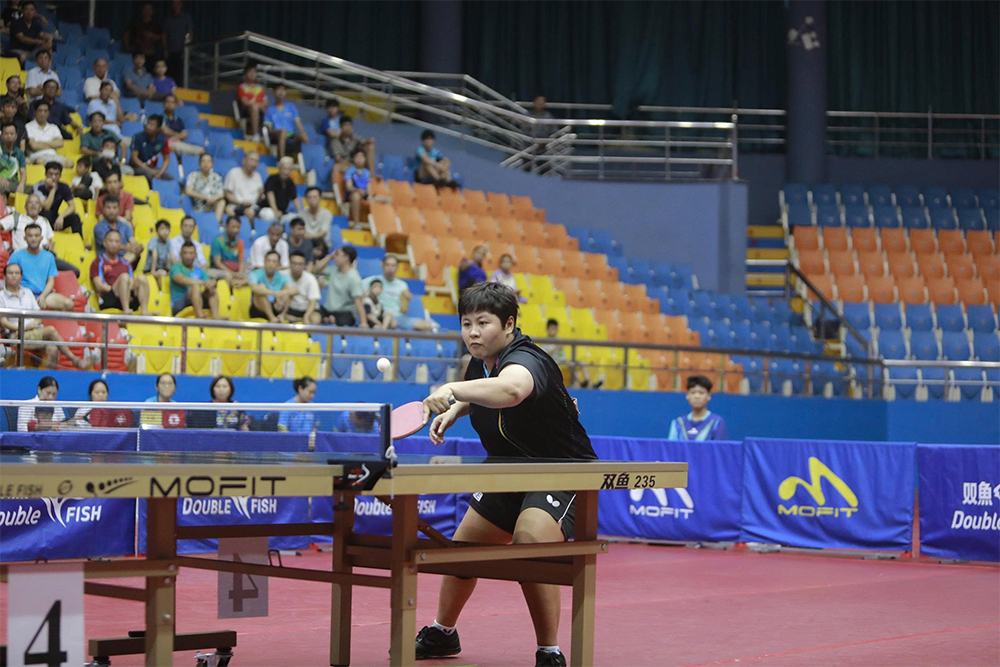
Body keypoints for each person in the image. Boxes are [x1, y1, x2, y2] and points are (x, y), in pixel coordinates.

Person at [416, 282, 595, 667]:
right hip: (509, 469)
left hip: (559, 470)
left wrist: (451, 389)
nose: (473, 333)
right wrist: (457, 408)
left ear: (509, 324)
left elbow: (512, 389)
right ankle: (443, 633)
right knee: (463, 551)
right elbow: (485, 390)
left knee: (529, 540)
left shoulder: (528, 359)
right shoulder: (481, 362)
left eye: (483, 323)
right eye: (466, 324)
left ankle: (549, 651)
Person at [0, 263, 88, 368]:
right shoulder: (1, 296)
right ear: (4, 276)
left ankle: (45, 376)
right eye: (11, 273)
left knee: (53, 349)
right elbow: (3, 322)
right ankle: (75, 359)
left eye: (17, 273)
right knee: (50, 330)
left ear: (21, 276)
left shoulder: (27, 293)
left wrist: (35, 323)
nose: (14, 276)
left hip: (34, 331)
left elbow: (39, 316)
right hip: (16, 335)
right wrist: (23, 327)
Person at [5, 217, 78, 308]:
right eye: (30, 236)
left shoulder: (49, 257)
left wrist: (43, 296)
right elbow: (11, 279)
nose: (33, 239)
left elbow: (51, 280)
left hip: (44, 294)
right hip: (22, 294)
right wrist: (27, 296)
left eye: (36, 236)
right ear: (25, 238)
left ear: (41, 238)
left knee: (68, 304)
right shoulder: (16, 256)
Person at [363, 255, 438, 332]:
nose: (390, 268)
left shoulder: (402, 285)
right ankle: (383, 331)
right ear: (382, 265)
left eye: (393, 265)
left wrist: (408, 298)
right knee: (391, 322)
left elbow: (405, 305)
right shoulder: (373, 281)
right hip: (380, 316)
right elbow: (359, 292)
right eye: (387, 265)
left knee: (426, 326)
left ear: (397, 267)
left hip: (398, 317)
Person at [90, 229, 149, 314]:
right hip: (109, 297)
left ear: (121, 244)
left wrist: (126, 292)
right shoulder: (98, 262)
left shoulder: (126, 263)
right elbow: (99, 285)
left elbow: (131, 282)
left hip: (128, 295)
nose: (114, 244)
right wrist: (119, 290)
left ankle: (144, 311)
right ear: (104, 243)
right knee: (124, 277)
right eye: (111, 241)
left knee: (141, 278)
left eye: (117, 241)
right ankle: (126, 310)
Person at [316, 245, 366, 327]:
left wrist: (363, 322)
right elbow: (316, 269)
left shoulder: (354, 277)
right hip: (328, 310)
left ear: (346, 257)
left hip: (344, 312)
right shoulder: (333, 269)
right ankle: (329, 318)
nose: (335, 257)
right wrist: (330, 257)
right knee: (315, 314)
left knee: (343, 321)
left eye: (337, 255)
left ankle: (329, 319)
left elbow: (358, 301)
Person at [667, 375, 728, 441]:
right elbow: (671, 446)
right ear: (687, 396)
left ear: (709, 396)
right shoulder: (677, 423)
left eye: (701, 393)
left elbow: (720, 447)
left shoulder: (717, 422)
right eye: (693, 392)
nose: (697, 396)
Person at [169, 240, 218, 318]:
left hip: (198, 299)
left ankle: (215, 317)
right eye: (185, 253)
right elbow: (180, 278)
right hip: (179, 304)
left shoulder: (200, 270)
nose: (188, 256)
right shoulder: (176, 267)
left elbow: (208, 282)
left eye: (191, 253)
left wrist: (212, 283)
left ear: (195, 255)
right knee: (195, 287)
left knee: (211, 289)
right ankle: (200, 315)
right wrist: (201, 282)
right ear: (180, 255)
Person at [33, 161, 82, 238]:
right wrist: (53, 189)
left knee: (75, 217)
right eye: (50, 174)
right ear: (45, 174)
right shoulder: (38, 186)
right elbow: (46, 207)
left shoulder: (64, 187)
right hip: (41, 217)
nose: (53, 177)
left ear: (60, 176)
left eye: (56, 174)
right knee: (47, 214)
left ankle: (79, 241)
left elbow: (72, 207)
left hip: (55, 217)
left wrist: (62, 216)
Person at [249, 249, 297, 322]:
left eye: (274, 262)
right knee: (261, 287)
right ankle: (272, 318)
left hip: (275, 307)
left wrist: (281, 293)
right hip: (258, 309)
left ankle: (282, 315)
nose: (271, 264)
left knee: (288, 290)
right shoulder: (255, 274)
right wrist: (274, 294)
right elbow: (254, 288)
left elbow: (295, 290)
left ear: (278, 264)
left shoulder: (281, 276)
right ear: (264, 262)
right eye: (268, 261)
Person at [263, 83, 308, 160]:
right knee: (283, 132)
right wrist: (276, 132)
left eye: (283, 90)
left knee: (304, 136)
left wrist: (303, 132)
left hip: (291, 135)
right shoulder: (269, 109)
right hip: (276, 135)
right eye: (279, 89)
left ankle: (306, 162)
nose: (281, 92)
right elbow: (269, 128)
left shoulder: (291, 107)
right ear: (274, 91)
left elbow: (298, 122)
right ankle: (281, 159)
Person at [224, 151, 263, 230]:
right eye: (251, 160)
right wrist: (241, 203)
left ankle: (255, 232)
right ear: (244, 160)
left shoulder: (258, 176)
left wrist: (260, 194)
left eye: (256, 161)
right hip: (236, 205)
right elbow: (227, 194)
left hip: (253, 207)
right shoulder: (234, 172)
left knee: (267, 214)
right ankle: (250, 231)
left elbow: (259, 200)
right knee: (246, 212)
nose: (254, 164)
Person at [25, 101, 71, 167]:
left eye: (45, 111)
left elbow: (60, 143)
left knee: (70, 163)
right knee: (40, 161)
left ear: (48, 113)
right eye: (40, 111)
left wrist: (39, 143)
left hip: (53, 155)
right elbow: (33, 146)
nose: (42, 113)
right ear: (34, 112)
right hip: (37, 156)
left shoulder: (53, 127)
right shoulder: (28, 126)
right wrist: (52, 144)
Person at [130, 114, 172, 183]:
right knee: (149, 175)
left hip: (153, 168)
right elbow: (134, 158)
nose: (148, 127)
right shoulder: (137, 137)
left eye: (152, 125)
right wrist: (149, 170)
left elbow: (166, 159)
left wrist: (160, 173)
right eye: (148, 123)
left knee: (170, 178)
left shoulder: (163, 140)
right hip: (137, 167)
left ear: (158, 128)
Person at [281, 251, 320, 324]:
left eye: (300, 264)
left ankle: (299, 319)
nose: (297, 267)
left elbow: (313, 301)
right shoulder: (282, 275)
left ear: (304, 265)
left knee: (315, 319)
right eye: (294, 263)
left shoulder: (310, 278)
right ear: (290, 264)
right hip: (290, 308)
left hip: (306, 308)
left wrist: (306, 316)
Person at [186, 152, 226, 223]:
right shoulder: (193, 175)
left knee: (222, 202)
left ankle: (216, 224)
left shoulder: (216, 177)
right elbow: (188, 191)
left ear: (212, 164)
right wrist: (205, 197)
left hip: (212, 203)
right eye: (203, 161)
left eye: (208, 161)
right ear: (199, 164)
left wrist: (214, 198)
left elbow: (221, 193)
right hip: (199, 204)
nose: (206, 164)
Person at [209, 215, 248, 286]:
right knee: (228, 275)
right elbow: (217, 263)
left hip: (235, 270)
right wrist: (233, 274)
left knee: (252, 276)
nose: (235, 230)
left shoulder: (240, 242)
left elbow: (241, 261)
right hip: (218, 270)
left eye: (238, 227)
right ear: (226, 226)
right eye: (233, 227)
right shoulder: (218, 241)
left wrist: (240, 273)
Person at [162, 1, 193, 87]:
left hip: (182, 51)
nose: (176, 6)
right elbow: (164, 34)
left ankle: (180, 91)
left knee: (181, 74)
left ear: (181, 4)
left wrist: (188, 47)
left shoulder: (186, 18)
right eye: (174, 3)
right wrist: (165, 49)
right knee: (170, 73)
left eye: (178, 3)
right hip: (170, 50)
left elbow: (190, 33)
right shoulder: (168, 19)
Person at [261, 156, 301, 221]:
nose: (286, 172)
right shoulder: (272, 179)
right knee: (269, 214)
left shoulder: (290, 183)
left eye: (288, 169)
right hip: (269, 209)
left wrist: (301, 213)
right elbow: (270, 195)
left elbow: (295, 199)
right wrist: (275, 210)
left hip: (282, 213)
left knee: (294, 218)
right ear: (279, 168)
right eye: (284, 168)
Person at [236, 63, 266, 140]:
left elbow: (265, 102)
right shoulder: (242, 87)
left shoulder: (260, 88)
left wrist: (259, 105)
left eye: (254, 72)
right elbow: (244, 102)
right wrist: (255, 105)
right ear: (246, 73)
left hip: (260, 109)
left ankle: (269, 137)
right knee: (254, 107)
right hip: (247, 110)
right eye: (250, 71)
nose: (253, 74)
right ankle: (256, 134)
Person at [343, 148, 371, 224]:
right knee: (356, 196)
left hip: (364, 194)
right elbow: (349, 187)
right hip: (353, 193)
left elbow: (368, 186)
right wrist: (357, 190)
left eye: (362, 157)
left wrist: (370, 195)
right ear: (353, 158)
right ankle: (356, 223)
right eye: (357, 157)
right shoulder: (350, 170)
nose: (360, 159)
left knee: (386, 199)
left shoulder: (367, 172)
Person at [0, 121, 27, 194]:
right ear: (2, 135)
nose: (9, 136)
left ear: (16, 136)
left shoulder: (20, 153)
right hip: (1, 182)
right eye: (6, 134)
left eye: (11, 134)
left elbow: (23, 172)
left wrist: (21, 184)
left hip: (13, 184)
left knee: (31, 189)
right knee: (2, 188)